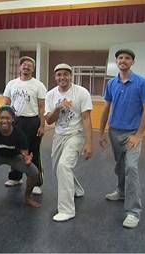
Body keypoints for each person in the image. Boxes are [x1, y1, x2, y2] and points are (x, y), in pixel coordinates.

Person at [99, 49, 145, 229]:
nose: (123, 60)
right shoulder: (112, 83)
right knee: (120, 166)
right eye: (120, 58)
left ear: (132, 62)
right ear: (116, 62)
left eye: (127, 58)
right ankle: (121, 191)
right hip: (114, 131)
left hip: (132, 134)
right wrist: (101, 132)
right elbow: (106, 108)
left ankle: (133, 212)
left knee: (131, 168)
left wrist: (138, 135)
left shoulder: (142, 82)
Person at [45, 63, 92, 222]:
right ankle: (76, 189)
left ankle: (67, 210)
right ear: (55, 77)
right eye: (59, 74)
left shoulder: (81, 92)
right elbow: (49, 120)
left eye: (65, 74)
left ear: (71, 76)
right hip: (59, 136)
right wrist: (58, 108)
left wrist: (89, 143)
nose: (62, 77)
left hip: (75, 135)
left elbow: (86, 118)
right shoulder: (51, 94)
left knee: (64, 166)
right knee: (57, 169)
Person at [0, 105, 41, 208]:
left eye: (7, 118)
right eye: (2, 118)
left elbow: (24, 155)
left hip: (15, 157)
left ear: (13, 119)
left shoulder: (20, 135)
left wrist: (26, 161)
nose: (4, 121)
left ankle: (27, 197)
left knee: (34, 172)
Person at [3, 56, 46, 195]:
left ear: (33, 69)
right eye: (24, 65)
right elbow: (6, 104)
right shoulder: (11, 84)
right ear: (19, 67)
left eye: (29, 65)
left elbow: (41, 108)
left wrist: (42, 126)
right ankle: (15, 178)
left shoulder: (38, 85)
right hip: (16, 121)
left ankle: (36, 182)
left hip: (32, 121)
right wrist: (5, 121)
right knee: (15, 151)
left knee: (33, 151)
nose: (26, 67)